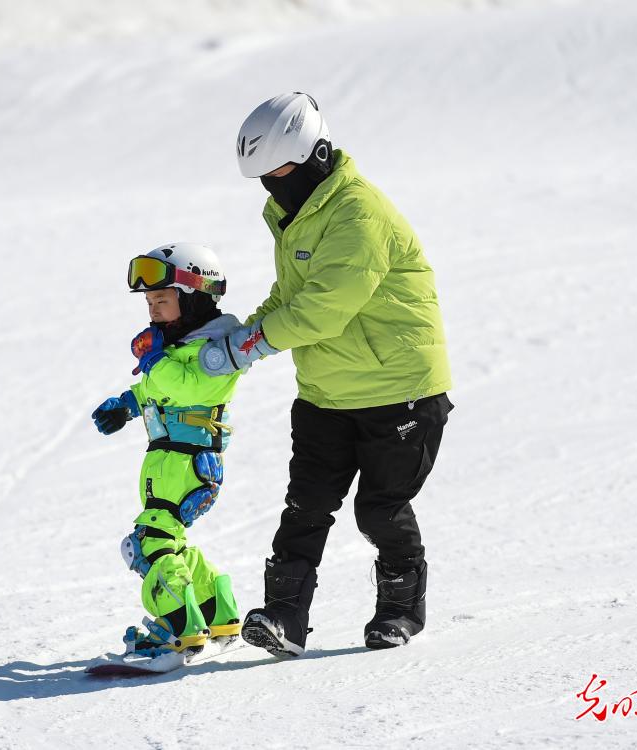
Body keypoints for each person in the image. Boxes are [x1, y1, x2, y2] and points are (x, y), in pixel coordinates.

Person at [200, 93, 454, 656]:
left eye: (282, 170)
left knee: (379, 509)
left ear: (318, 153)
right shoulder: (297, 211)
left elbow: (324, 307)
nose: (273, 184)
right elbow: (293, 296)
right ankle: (285, 620)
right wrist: (242, 330)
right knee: (306, 505)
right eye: (263, 176)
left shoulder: (358, 213)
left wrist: (255, 345)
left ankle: (400, 610)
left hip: (400, 391)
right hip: (325, 392)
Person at [91, 242, 247, 656]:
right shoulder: (181, 346)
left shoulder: (217, 350)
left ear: (195, 297)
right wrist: (126, 404)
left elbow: (186, 386)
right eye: (149, 302)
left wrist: (153, 359)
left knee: (149, 542)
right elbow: (159, 388)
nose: (153, 309)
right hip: (173, 460)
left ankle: (177, 628)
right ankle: (217, 614)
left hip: (184, 461)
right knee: (170, 542)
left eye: (162, 299)